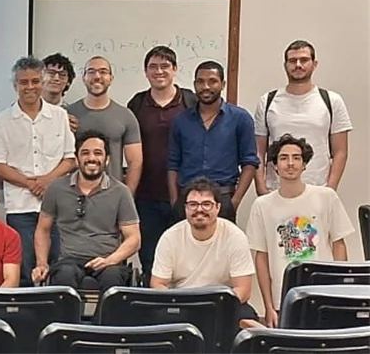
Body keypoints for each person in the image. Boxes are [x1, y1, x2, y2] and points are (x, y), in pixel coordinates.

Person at [0, 56, 76, 286]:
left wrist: (46, 181)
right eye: (24, 82)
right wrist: (30, 183)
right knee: (23, 268)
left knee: (58, 267)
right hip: (20, 208)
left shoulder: (59, 116)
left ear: (43, 82)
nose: (30, 87)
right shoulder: (2, 121)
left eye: (35, 81)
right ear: (15, 86)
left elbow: (70, 159)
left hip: (56, 205)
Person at [246, 134, 355, 327]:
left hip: (324, 293)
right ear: (275, 165)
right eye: (284, 158)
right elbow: (261, 257)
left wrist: (339, 291)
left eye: (296, 158)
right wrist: (269, 306)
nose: (290, 163)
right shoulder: (262, 205)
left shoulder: (326, 197)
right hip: (284, 297)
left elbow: (339, 245)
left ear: (304, 164)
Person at [33, 130, 140, 295]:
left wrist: (110, 260)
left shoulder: (120, 192)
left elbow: (134, 238)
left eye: (98, 153)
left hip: (109, 260)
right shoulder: (56, 189)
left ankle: (103, 322)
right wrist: (42, 263)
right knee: (64, 277)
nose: (91, 158)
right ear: (76, 159)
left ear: (107, 159)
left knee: (113, 282)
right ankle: (66, 322)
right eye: (85, 153)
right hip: (69, 261)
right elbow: (42, 229)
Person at [150, 178, 263, 330]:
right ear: (185, 209)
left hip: (222, 304)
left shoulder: (235, 236)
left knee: (247, 318)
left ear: (218, 207)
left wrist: (212, 306)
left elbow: (243, 290)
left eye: (206, 204)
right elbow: (157, 284)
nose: (199, 210)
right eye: (193, 204)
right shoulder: (170, 237)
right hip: (182, 304)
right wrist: (183, 303)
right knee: (157, 317)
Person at [126, 46, 196, 282]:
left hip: (186, 194)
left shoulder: (190, 101)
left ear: (175, 69)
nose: (159, 71)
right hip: (146, 195)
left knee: (186, 260)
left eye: (165, 66)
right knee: (151, 260)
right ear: (146, 72)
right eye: (153, 67)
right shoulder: (137, 103)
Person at [254, 40, 352, 194]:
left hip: (318, 190)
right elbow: (258, 151)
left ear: (314, 64)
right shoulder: (267, 101)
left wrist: (330, 189)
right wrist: (261, 187)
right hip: (276, 190)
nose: (298, 65)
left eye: (304, 60)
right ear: (285, 65)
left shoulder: (331, 101)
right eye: (292, 61)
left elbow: (341, 152)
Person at [167, 61, 258, 223]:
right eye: (200, 82)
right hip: (188, 198)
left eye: (212, 81)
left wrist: (235, 201)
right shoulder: (180, 120)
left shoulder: (240, 118)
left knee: (222, 248)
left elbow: (250, 163)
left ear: (222, 84)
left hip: (223, 197)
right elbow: (173, 164)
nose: (206, 86)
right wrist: (175, 201)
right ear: (194, 84)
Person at [66, 56, 143, 193]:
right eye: (91, 71)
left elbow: (135, 162)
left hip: (112, 195)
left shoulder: (125, 116)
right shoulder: (67, 115)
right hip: (73, 195)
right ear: (83, 78)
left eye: (103, 72)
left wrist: (127, 197)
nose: (97, 76)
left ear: (111, 79)